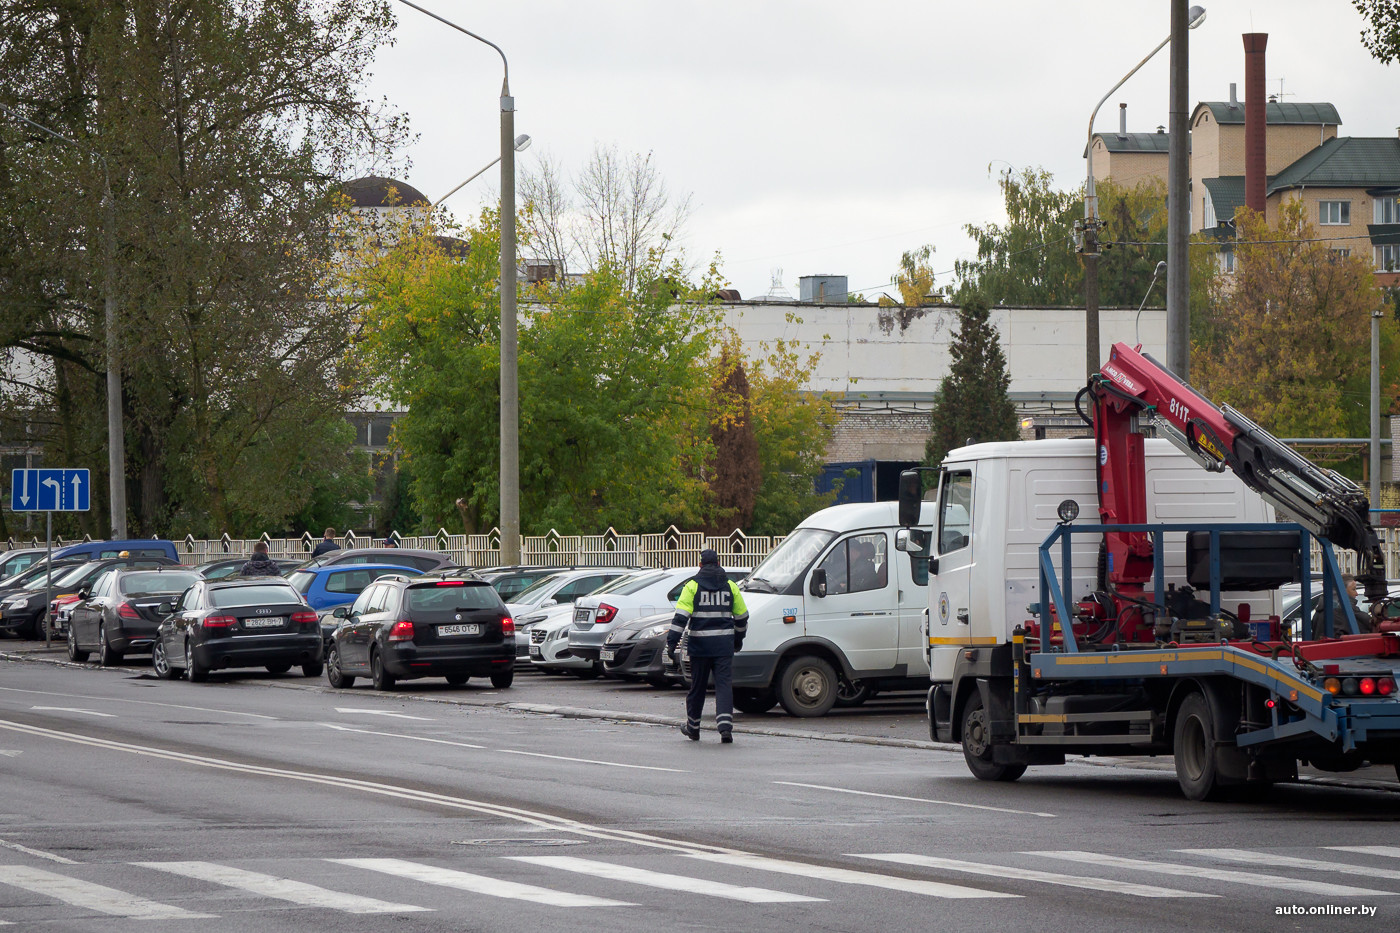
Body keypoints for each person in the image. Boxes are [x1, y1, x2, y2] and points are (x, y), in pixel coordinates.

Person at [667, 549, 748, 744]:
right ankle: (725, 729)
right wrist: (738, 639)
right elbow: (742, 617)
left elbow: (680, 619)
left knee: (698, 687)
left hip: (700, 647)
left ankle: (693, 728)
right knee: (723, 686)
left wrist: (671, 644)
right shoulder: (730, 586)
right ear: (718, 563)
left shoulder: (692, 586)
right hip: (723, 646)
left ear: (700, 565)